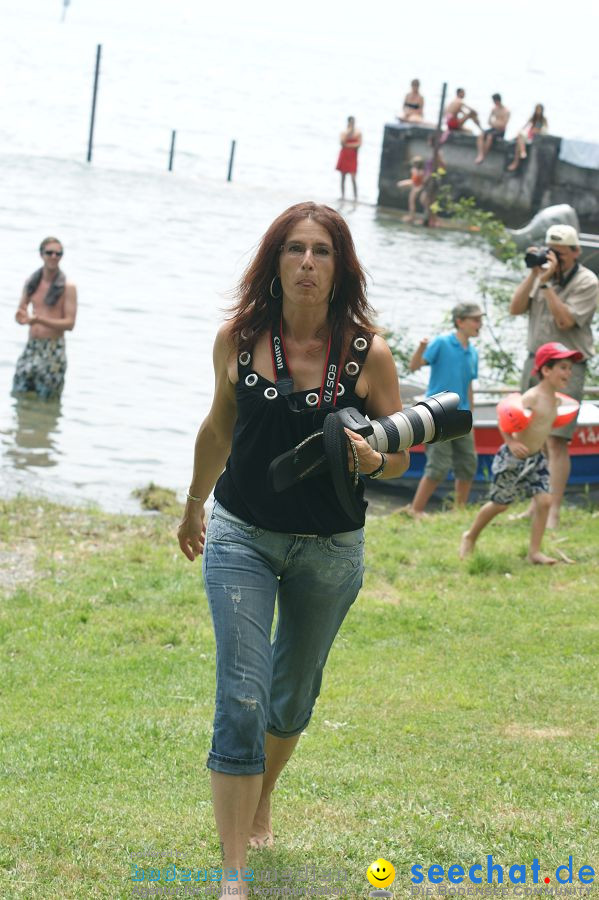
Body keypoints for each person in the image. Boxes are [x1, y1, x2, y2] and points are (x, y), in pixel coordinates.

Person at [176, 202, 409, 899]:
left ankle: (263, 790)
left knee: (291, 693)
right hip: (242, 532)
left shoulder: (369, 353)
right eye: (294, 250)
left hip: (331, 547)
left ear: (340, 269)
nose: (307, 263)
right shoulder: (240, 339)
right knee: (241, 694)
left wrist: (376, 461)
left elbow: (399, 457)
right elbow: (218, 429)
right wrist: (193, 505)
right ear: (274, 263)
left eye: (322, 252)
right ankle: (233, 874)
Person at [459, 343, 584, 565]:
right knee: (500, 504)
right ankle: (470, 536)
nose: (569, 373)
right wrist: (510, 443)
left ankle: (534, 552)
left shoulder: (556, 400)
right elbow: (504, 418)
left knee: (545, 501)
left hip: (536, 458)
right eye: (563, 367)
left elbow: (542, 426)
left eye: (570, 368)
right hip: (513, 457)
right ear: (546, 370)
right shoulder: (532, 397)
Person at [509, 224, 598, 528]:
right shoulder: (541, 274)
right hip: (536, 362)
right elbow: (515, 307)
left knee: (557, 440)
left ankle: (554, 510)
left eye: (559, 253)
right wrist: (535, 275)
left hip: (566, 368)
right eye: (549, 252)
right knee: (534, 436)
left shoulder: (587, 281)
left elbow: (565, 321)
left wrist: (546, 287)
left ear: (576, 252)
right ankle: (536, 505)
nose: (553, 258)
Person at [406, 302, 482, 517]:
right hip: (438, 413)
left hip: (462, 416)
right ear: (460, 321)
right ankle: (415, 510)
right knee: (438, 467)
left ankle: (458, 512)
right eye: (475, 320)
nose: (480, 324)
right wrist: (421, 347)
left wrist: (471, 415)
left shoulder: (473, 352)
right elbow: (414, 366)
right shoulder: (442, 342)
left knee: (468, 465)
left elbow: (468, 387)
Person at [12, 237, 77, 400]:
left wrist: (39, 320)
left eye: (58, 253)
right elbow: (21, 311)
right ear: (41, 254)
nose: (54, 257)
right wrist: (21, 317)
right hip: (31, 346)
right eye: (50, 253)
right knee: (19, 392)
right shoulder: (32, 281)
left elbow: (69, 324)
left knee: (47, 398)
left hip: (53, 350)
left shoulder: (68, 287)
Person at [507, 104, 548, 171]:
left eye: (539, 110)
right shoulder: (532, 118)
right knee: (520, 137)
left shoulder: (543, 120)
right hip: (529, 136)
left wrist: (539, 131)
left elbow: (545, 130)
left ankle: (517, 160)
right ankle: (522, 153)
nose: (538, 111)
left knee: (518, 144)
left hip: (535, 138)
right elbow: (524, 127)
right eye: (537, 109)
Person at [475, 93, 510, 164]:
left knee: (489, 137)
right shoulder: (494, 109)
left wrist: (495, 124)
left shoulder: (506, 111)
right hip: (494, 128)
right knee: (481, 135)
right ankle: (480, 154)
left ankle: (483, 156)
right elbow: (489, 121)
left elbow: (503, 125)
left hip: (500, 131)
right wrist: (496, 124)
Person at [335, 116, 362, 200]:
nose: (352, 124)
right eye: (351, 122)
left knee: (353, 178)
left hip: (353, 157)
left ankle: (355, 197)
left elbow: (359, 145)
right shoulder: (344, 132)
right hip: (344, 155)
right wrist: (348, 132)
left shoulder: (358, 132)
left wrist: (348, 145)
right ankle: (343, 196)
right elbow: (342, 143)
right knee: (343, 177)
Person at [396, 156, 425, 222]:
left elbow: (420, 182)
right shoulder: (414, 169)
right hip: (414, 185)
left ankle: (412, 217)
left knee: (412, 202)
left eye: (415, 163)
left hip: (417, 187)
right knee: (411, 201)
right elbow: (413, 180)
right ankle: (411, 216)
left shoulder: (420, 172)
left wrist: (418, 188)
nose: (414, 165)